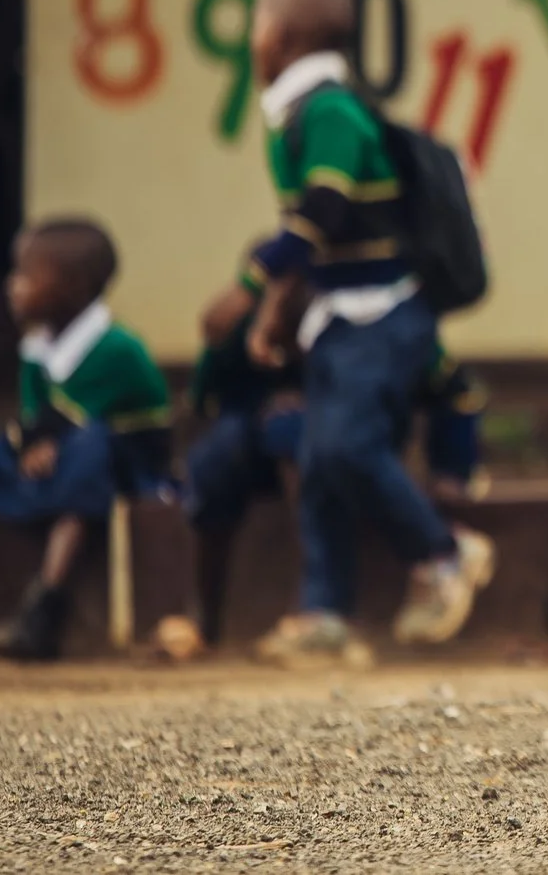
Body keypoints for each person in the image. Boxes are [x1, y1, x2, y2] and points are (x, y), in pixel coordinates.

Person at [201, 0, 492, 665]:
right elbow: (319, 239)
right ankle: (324, 609)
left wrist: (250, 286)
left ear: (285, 38)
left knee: (347, 447)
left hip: (381, 318)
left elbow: (322, 213)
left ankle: (445, 552)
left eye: (258, 31)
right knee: (319, 456)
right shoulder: (300, 113)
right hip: (339, 317)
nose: (253, 45)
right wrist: (279, 315)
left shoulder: (329, 111)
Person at [0, 218, 171, 662]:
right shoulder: (37, 347)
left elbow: (73, 421)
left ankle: (46, 608)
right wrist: (35, 442)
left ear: (74, 287)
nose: (12, 286)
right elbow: (35, 422)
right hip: (50, 462)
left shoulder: (117, 348)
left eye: (26, 275)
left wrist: (41, 440)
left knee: (89, 448)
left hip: (121, 470)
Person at [184, 241, 488, 650]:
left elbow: (459, 395)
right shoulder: (240, 328)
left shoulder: (373, 334)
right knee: (219, 459)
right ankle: (205, 616)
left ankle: (322, 607)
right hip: (256, 444)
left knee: (308, 436)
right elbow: (207, 401)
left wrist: (452, 470)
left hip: (357, 447)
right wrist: (264, 402)